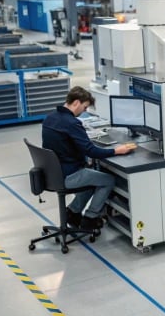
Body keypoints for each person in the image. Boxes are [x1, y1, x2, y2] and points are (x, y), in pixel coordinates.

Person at [42, 86, 134, 230]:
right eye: (85, 108)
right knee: (108, 180)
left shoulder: (50, 117)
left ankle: (73, 212)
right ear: (76, 102)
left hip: (51, 174)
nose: (84, 111)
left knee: (91, 173)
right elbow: (91, 151)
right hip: (68, 176)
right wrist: (116, 151)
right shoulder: (72, 123)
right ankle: (90, 218)